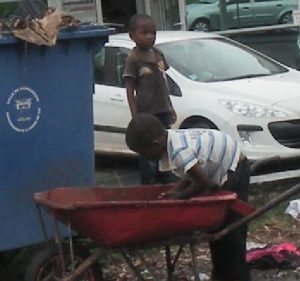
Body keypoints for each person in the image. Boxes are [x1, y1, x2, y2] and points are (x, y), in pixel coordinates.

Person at [125, 113, 251, 281]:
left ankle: (238, 276)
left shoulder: (178, 151)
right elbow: (191, 174)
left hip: (234, 166)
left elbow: (203, 183)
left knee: (232, 232)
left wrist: (180, 197)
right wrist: (176, 191)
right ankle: (221, 275)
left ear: (155, 145)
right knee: (218, 230)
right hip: (221, 166)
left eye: (143, 152)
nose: (144, 157)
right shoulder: (172, 140)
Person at [123, 14, 176, 184]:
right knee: (146, 148)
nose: (150, 37)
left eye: (153, 33)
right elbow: (130, 89)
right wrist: (135, 116)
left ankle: (165, 177)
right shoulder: (133, 59)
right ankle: (147, 182)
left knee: (164, 144)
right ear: (132, 36)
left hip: (163, 109)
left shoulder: (158, 54)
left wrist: (171, 107)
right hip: (146, 112)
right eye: (144, 33)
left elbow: (164, 83)